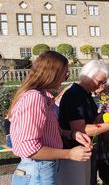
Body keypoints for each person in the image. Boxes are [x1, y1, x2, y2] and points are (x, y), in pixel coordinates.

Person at [8, 51, 92, 185]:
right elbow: (29, 148)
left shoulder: (42, 96)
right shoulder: (34, 98)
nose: (66, 77)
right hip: (37, 172)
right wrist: (69, 153)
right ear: (52, 73)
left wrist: (71, 134)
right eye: (65, 73)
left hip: (41, 170)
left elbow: (43, 132)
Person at [58, 60, 109, 185]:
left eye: (103, 82)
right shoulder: (74, 95)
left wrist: (103, 116)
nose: (101, 85)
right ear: (88, 75)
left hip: (84, 151)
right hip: (75, 154)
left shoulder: (85, 94)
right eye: (99, 81)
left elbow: (92, 121)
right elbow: (81, 129)